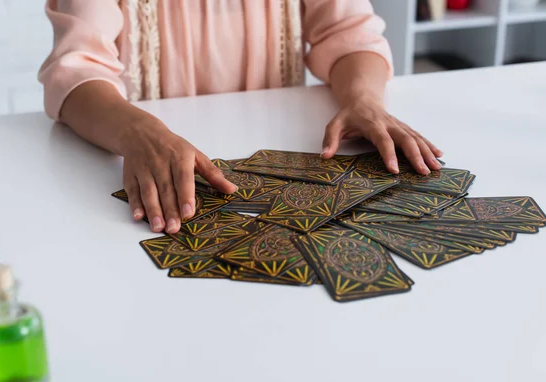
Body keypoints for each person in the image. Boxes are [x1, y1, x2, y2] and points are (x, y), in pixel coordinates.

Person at [39, 0, 443, 235]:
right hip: (142, 154)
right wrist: (137, 132)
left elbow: (349, 33)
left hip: (283, 143)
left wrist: (364, 98)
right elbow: (75, 70)